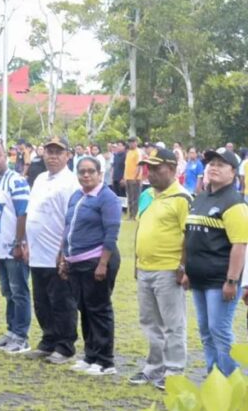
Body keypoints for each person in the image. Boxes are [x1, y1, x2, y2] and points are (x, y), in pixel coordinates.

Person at [182, 148, 248, 376]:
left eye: (221, 164)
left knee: (219, 330)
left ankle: (235, 384)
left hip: (220, 280)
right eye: (211, 163)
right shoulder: (201, 198)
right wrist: (186, 270)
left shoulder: (235, 203)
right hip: (199, 278)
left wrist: (232, 280)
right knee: (206, 331)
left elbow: (240, 245)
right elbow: (190, 237)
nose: (214, 167)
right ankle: (214, 379)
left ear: (233, 173)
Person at [129, 148, 191, 391]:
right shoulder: (147, 195)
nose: (150, 173)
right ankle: (154, 367)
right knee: (149, 321)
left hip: (168, 269)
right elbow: (140, 229)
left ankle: (174, 370)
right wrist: (136, 262)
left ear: (173, 169)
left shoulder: (182, 198)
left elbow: (189, 236)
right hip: (145, 268)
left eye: (157, 168)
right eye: (148, 168)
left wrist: (183, 266)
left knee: (173, 323)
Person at [58, 156, 122, 376]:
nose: (86, 175)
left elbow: (111, 234)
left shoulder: (107, 198)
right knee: (84, 309)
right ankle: (90, 355)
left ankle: (105, 361)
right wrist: (63, 257)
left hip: (97, 260)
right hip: (76, 262)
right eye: (82, 171)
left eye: (90, 171)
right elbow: (67, 228)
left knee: (99, 310)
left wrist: (103, 263)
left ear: (99, 174)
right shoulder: (77, 196)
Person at [23, 136, 80, 364]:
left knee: (62, 302)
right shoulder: (39, 179)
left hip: (57, 252)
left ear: (68, 155)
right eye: (49, 151)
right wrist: (26, 242)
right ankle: (48, 340)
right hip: (37, 252)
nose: (53, 156)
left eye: (58, 152)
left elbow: (71, 220)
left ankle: (65, 346)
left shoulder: (70, 182)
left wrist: (64, 251)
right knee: (42, 301)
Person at [0, 140, 31, 354]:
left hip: (13, 248)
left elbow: (23, 213)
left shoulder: (16, 181)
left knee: (19, 291)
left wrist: (19, 242)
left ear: (6, 156)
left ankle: (21, 336)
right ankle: (11, 331)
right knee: (8, 291)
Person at [124, 137, 141, 220]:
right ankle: (130, 214)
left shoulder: (138, 152)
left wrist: (135, 177)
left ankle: (134, 215)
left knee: (135, 198)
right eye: (129, 142)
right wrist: (125, 177)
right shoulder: (129, 152)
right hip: (128, 178)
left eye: (133, 142)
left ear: (136, 142)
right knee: (130, 198)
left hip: (135, 179)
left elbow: (139, 166)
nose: (131, 144)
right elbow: (126, 166)